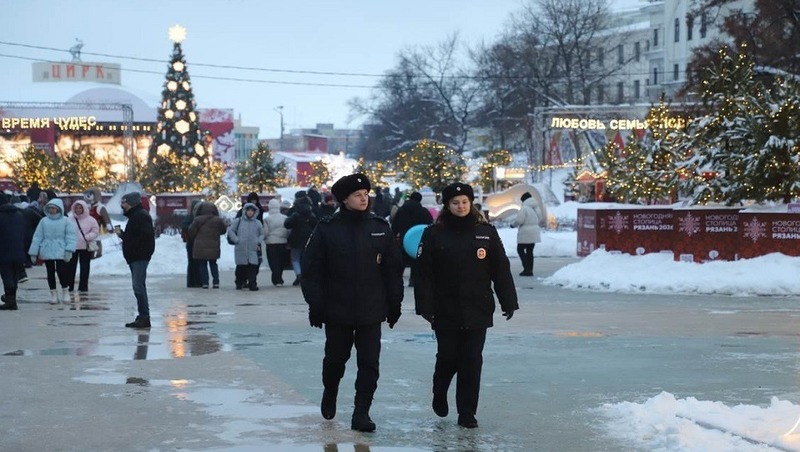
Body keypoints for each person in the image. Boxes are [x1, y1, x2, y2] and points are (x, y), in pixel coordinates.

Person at [301, 173, 404, 432]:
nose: (364, 198)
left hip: (371, 309)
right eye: (358, 195)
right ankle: (330, 390)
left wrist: (395, 303)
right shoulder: (327, 229)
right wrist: (316, 305)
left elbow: (392, 269)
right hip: (338, 310)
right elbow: (311, 270)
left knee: (369, 363)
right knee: (336, 359)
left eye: (366, 194)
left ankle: (362, 412)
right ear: (344, 199)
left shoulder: (379, 226)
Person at [414, 182, 518, 429]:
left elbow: (500, 270)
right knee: (448, 358)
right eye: (455, 202)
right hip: (445, 308)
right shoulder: (433, 233)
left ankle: (467, 412)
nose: (460, 206)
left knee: (472, 361)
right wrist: (425, 307)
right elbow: (423, 274)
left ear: (470, 203)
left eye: (464, 201)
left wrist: (508, 301)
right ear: (447, 206)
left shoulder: (486, 232)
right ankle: (439, 390)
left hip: (477, 306)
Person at [117, 192, 155, 328]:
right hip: (136, 256)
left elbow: (145, 237)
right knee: (138, 286)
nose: (121, 205)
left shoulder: (140, 216)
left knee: (138, 287)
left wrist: (135, 248)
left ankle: (144, 317)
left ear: (131, 203)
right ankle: (142, 315)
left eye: (123, 202)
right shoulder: (136, 216)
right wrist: (124, 236)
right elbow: (136, 236)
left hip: (139, 257)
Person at [28, 198, 76, 305]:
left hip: (61, 249)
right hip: (47, 249)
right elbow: (37, 237)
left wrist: (69, 250)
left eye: (54, 208)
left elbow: (71, 236)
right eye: (50, 208)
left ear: (59, 209)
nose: (52, 210)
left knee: (62, 272)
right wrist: (33, 252)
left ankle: (65, 291)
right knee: (50, 273)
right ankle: (53, 294)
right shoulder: (43, 221)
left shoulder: (66, 221)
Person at [391, 191, 433, 287]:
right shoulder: (424, 211)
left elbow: (395, 224)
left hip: (403, 238)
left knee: (401, 260)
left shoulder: (401, 210)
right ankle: (413, 280)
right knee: (416, 261)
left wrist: (394, 236)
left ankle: (396, 278)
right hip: (418, 240)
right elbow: (430, 225)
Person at [188, 201, 228, 289]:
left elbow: (191, 231)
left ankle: (205, 283)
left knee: (203, 265)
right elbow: (223, 230)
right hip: (214, 246)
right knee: (213, 264)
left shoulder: (197, 220)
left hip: (200, 246)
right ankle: (216, 282)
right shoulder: (218, 220)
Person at [228, 203, 264, 291]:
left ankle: (252, 284)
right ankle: (239, 282)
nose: (250, 212)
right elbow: (231, 231)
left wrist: (258, 241)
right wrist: (236, 240)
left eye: (252, 211)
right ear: (245, 211)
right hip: (241, 248)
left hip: (253, 248)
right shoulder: (238, 221)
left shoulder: (257, 223)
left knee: (252, 267)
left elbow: (262, 233)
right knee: (241, 267)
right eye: (249, 210)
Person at [66, 200, 100, 295]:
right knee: (71, 267)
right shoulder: (69, 220)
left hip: (85, 246)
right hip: (73, 247)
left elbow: (95, 231)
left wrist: (87, 237)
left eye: (80, 208)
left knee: (85, 267)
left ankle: (83, 286)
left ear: (84, 208)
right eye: (76, 208)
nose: (78, 210)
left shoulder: (91, 220)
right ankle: (70, 286)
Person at [0, 193, 26, 310]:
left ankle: (10, 300)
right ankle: (11, 299)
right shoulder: (19, 214)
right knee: (14, 275)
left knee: (7, 275)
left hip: (3, 250)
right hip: (18, 250)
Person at [284, 196, 317, 286]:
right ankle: (306, 275)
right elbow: (316, 226)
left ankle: (299, 274)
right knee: (306, 258)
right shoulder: (311, 215)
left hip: (296, 239)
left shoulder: (296, 214)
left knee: (295, 258)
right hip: (308, 240)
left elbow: (287, 224)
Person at [514, 192, 544, 276]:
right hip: (534, 232)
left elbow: (519, 220)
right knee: (530, 251)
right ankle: (530, 270)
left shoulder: (524, 208)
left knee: (520, 250)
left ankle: (526, 268)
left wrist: (513, 225)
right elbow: (540, 218)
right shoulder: (536, 207)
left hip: (525, 232)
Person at [263, 198, 289, 286]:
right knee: (281, 261)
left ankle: (276, 278)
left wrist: (264, 238)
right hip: (282, 242)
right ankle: (279, 278)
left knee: (273, 261)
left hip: (271, 243)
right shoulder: (285, 218)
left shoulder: (267, 219)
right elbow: (288, 230)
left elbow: (265, 232)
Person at [182, 200, 203, 288]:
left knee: (193, 262)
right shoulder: (196, 217)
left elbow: (184, 228)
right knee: (196, 262)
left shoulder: (189, 217)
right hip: (194, 242)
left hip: (191, 242)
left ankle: (192, 282)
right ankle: (197, 281)